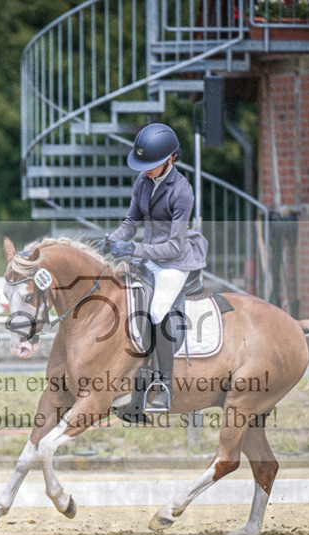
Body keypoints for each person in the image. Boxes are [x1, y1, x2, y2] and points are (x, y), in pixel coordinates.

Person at [103, 123, 209, 413]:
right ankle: (134, 384)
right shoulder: (142, 182)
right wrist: (110, 241)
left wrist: (134, 249)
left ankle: (164, 387)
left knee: (157, 311)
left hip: (175, 261)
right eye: (144, 165)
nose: (146, 170)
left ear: (170, 159)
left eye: (152, 165)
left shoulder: (182, 192)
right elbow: (130, 224)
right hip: (150, 255)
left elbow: (174, 247)